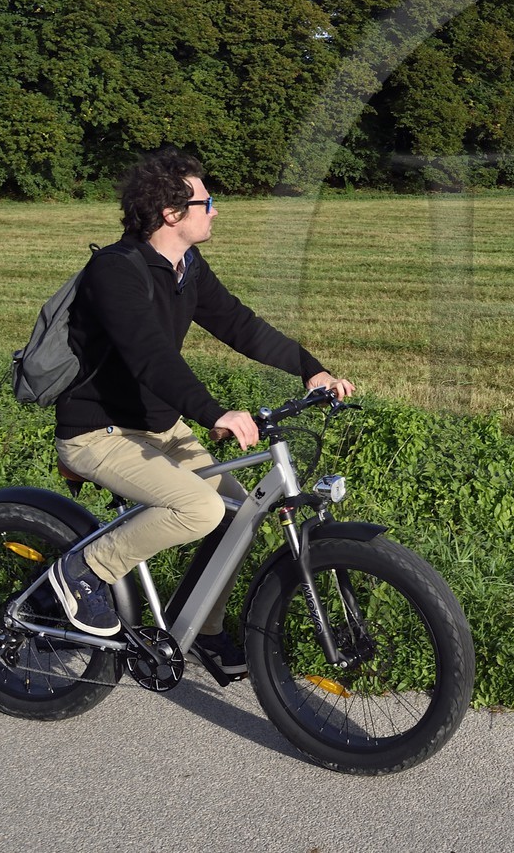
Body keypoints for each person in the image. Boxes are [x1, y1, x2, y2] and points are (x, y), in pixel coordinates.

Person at [47, 148, 354, 677]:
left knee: (238, 516)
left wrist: (310, 369)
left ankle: (201, 632)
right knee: (200, 509)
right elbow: (150, 355)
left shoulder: (187, 268)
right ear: (172, 213)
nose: (216, 210)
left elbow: (239, 324)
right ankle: (82, 572)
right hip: (99, 432)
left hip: (158, 426)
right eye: (206, 201)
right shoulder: (114, 272)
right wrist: (213, 411)